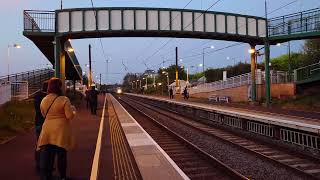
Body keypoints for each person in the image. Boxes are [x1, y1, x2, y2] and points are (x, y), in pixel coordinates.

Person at [37, 78, 76, 180]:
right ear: (59, 87)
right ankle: (62, 177)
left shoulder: (44, 100)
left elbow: (43, 114)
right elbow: (69, 116)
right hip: (60, 130)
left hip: (47, 129)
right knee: (61, 155)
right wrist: (73, 111)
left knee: (49, 155)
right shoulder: (64, 99)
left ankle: (48, 175)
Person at [34, 81, 48, 172]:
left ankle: (38, 165)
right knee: (46, 146)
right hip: (46, 123)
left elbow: (37, 109)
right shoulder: (47, 97)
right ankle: (44, 166)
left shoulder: (37, 96)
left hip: (38, 122)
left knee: (39, 144)